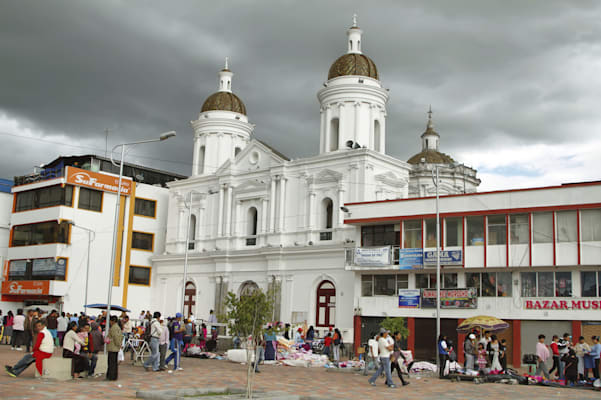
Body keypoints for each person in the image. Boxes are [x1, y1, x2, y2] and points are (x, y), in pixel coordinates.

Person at [106, 316, 123, 381]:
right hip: (115, 347)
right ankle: (112, 376)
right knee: (113, 362)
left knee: (112, 362)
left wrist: (118, 344)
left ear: (112, 321)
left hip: (113, 347)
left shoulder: (114, 328)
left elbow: (116, 337)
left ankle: (112, 376)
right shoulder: (117, 327)